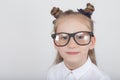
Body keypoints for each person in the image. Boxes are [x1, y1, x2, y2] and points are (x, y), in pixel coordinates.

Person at [47, 3, 111, 80]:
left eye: (80, 37)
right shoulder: (52, 73)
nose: (71, 45)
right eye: (64, 37)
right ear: (55, 43)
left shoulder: (101, 78)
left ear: (92, 42)